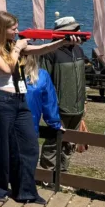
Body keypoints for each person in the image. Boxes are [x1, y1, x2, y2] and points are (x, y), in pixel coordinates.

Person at [0, 11, 72, 205]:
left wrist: (63, 42)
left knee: (28, 146)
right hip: (0, 99)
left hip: (20, 100)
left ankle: (26, 191)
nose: (17, 32)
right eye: (13, 29)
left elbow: (41, 49)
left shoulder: (12, 45)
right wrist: (18, 47)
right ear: (2, 29)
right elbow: (8, 68)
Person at [38, 16, 88, 174]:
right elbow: (43, 81)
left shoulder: (79, 50)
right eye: (75, 30)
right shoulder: (50, 52)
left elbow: (82, 78)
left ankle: (63, 174)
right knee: (53, 142)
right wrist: (50, 107)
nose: (79, 32)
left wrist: (84, 101)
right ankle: (47, 175)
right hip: (59, 108)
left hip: (77, 108)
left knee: (69, 143)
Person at [23, 53, 62, 144]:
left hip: (7, 127)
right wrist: (55, 124)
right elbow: (49, 103)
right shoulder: (42, 76)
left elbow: (49, 103)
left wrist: (55, 123)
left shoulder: (1, 75)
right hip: (29, 129)